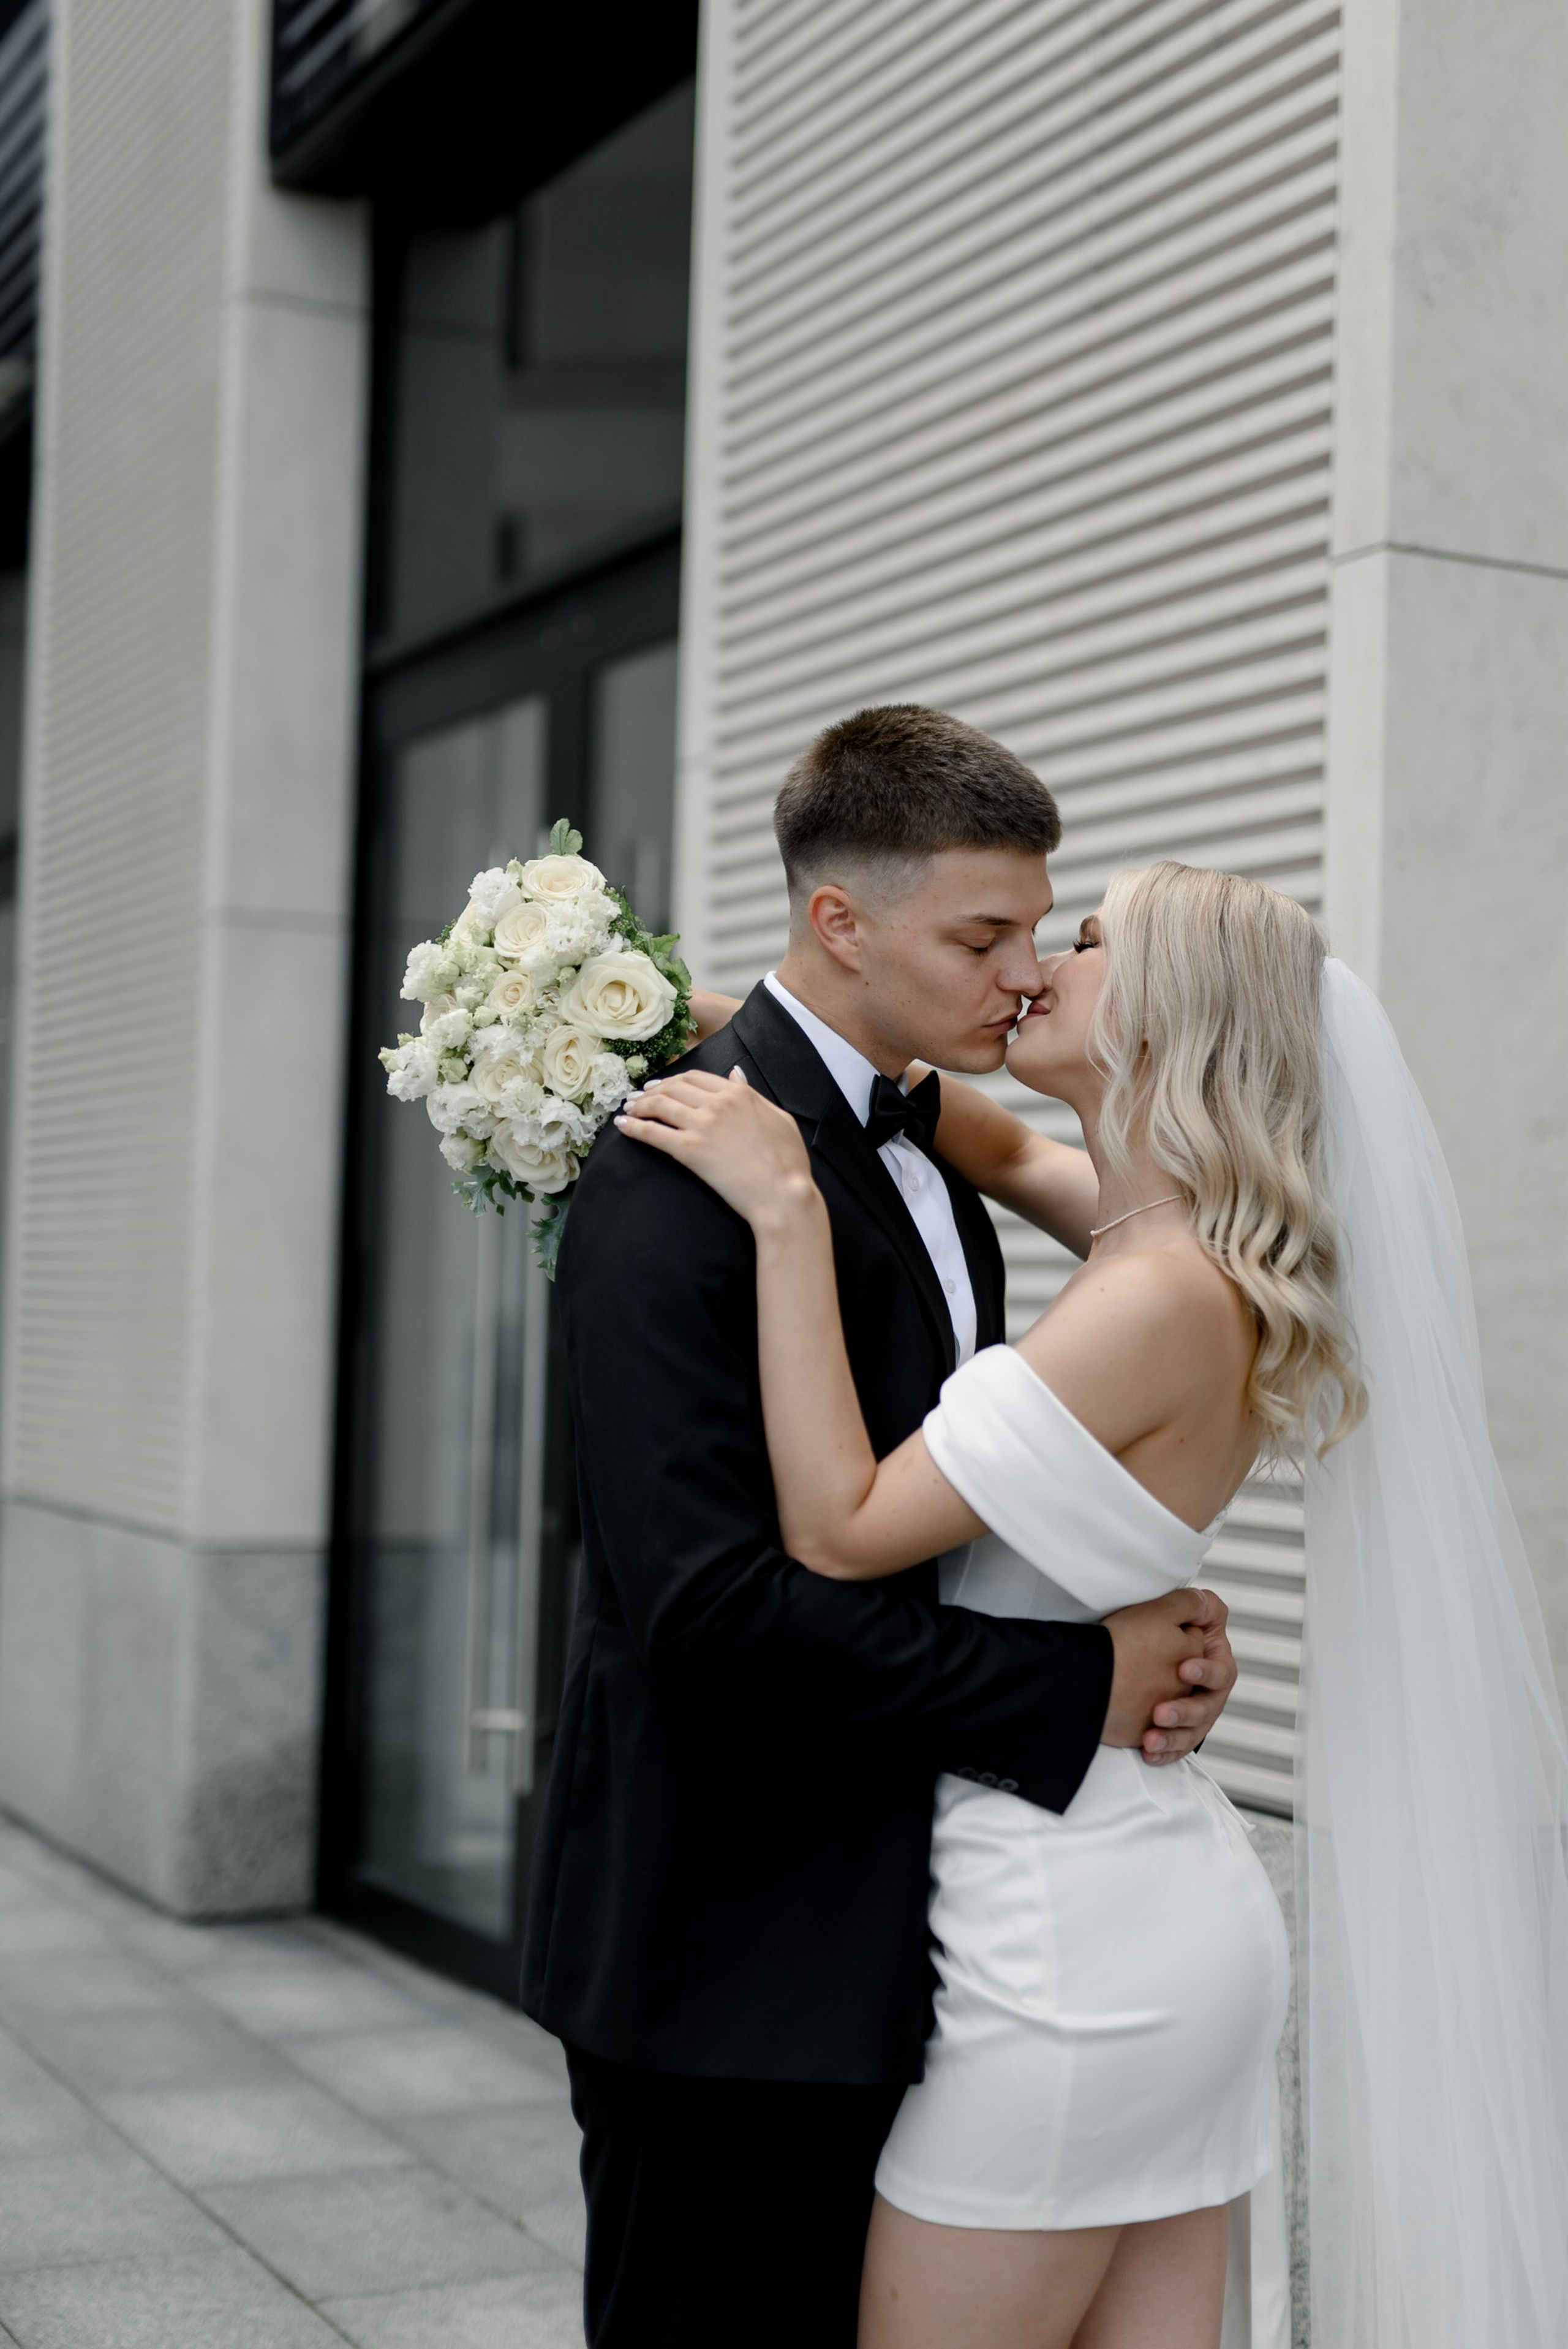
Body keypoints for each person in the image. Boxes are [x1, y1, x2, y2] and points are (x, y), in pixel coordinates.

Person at [626, 860, 1568, 2349]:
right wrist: (713, 1013)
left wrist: (787, 1208)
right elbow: (991, 1136)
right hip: (1148, 1908)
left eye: (1081, 943)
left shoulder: (1154, 1294)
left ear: (1165, 1015)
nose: (1034, 969)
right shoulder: (1170, 1239)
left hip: (1061, 1947)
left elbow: (841, 1528)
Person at [519, 708, 1241, 2349]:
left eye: (1037, 932)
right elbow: (708, 1613)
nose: (1023, 978)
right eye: (980, 939)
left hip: (917, 1935)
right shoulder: (679, 1172)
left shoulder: (923, 1134)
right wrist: (1082, 1679)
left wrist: (1133, 1614)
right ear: (839, 921)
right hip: (729, 1957)